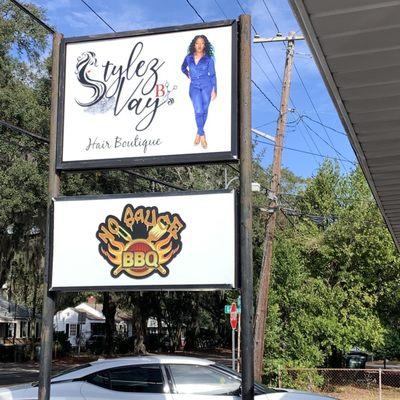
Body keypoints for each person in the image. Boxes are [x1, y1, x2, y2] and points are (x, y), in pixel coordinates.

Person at [181, 35, 217, 149]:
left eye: (202, 43)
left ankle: (198, 133)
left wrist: (214, 89)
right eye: (197, 43)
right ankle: (202, 135)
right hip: (194, 86)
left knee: (205, 110)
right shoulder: (188, 58)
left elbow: (212, 75)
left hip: (207, 85)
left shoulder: (209, 59)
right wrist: (188, 74)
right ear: (194, 44)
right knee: (198, 110)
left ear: (205, 45)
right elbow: (183, 68)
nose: (199, 45)